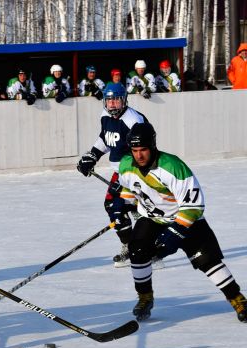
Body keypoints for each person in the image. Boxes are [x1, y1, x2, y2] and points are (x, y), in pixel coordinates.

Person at [112, 122, 246, 323]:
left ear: (153, 146)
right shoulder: (126, 164)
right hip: (152, 218)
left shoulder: (173, 166)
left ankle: (237, 298)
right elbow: (129, 189)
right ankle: (145, 297)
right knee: (137, 251)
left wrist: (175, 233)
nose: (139, 155)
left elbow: (194, 206)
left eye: (143, 150)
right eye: (134, 150)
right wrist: (122, 207)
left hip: (185, 218)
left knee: (206, 260)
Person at [76, 82, 153, 268]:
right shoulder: (105, 115)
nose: (112, 104)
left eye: (116, 100)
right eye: (109, 100)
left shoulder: (133, 120)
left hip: (136, 172)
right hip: (120, 172)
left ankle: (148, 248)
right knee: (113, 206)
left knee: (123, 207)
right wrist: (93, 155)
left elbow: (145, 151)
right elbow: (106, 138)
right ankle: (130, 245)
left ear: (124, 100)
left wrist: (130, 178)